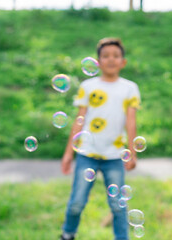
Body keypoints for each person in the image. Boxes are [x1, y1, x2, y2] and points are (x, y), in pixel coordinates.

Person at [60, 38, 141, 240]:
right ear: (98, 61)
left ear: (123, 62)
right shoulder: (88, 86)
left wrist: (132, 152)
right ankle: (67, 234)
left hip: (115, 156)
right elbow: (79, 120)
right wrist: (69, 152)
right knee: (77, 201)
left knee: (118, 204)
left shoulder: (130, 88)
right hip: (87, 152)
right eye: (105, 56)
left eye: (115, 55)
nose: (110, 59)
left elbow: (131, 123)